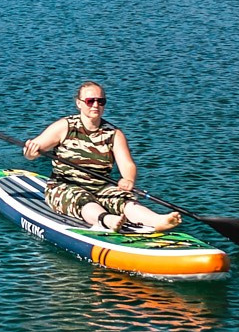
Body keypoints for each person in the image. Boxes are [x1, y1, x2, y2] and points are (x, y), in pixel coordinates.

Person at [22, 81, 180, 233]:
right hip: (64, 186)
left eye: (100, 101)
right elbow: (32, 151)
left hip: (101, 187)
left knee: (124, 199)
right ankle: (107, 220)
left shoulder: (114, 134)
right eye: (90, 101)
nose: (96, 105)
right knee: (82, 199)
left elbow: (127, 165)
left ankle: (156, 220)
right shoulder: (65, 126)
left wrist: (128, 180)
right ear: (79, 103)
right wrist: (30, 153)